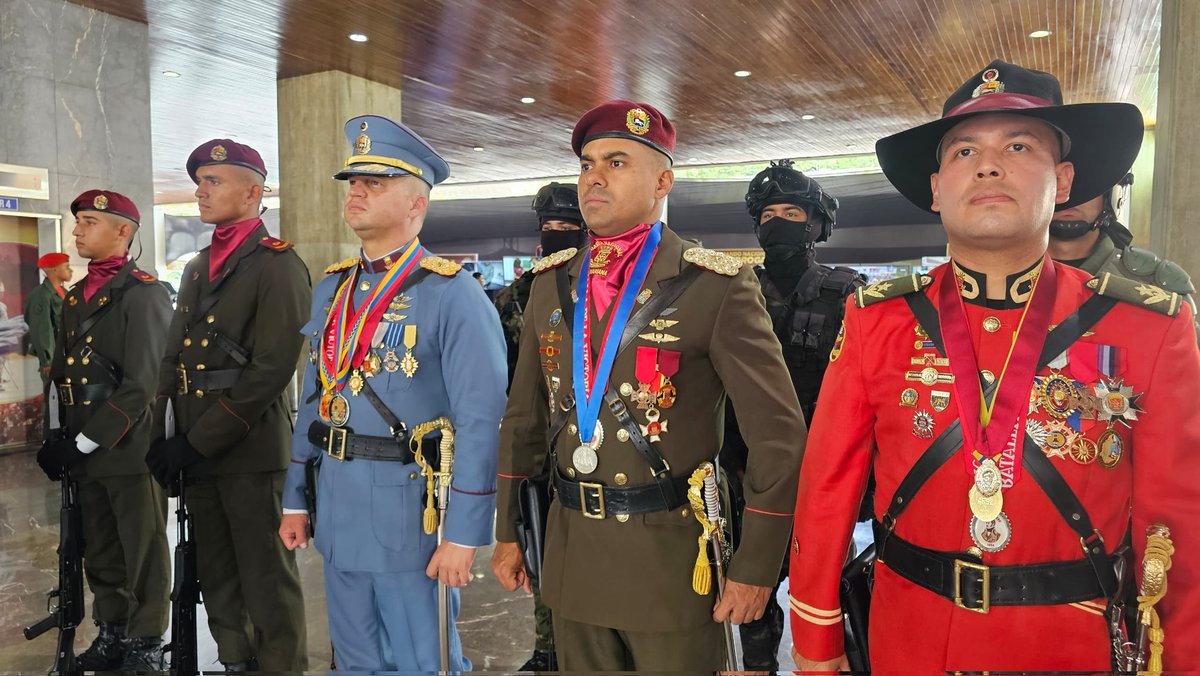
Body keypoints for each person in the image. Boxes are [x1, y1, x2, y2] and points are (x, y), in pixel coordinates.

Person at [788, 59, 1200, 672]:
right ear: (935, 188)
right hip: (909, 640)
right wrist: (816, 642)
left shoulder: (1149, 327)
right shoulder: (877, 319)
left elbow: (1179, 523)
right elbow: (827, 489)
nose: (987, 164)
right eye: (962, 152)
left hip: (1072, 645)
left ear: (1062, 181)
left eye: (1018, 144)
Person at [491, 100, 808, 671]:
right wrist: (508, 527)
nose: (594, 177)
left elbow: (778, 436)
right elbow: (523, 419)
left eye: (616, 162)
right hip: (573, 556)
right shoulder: (550, 284)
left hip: (670, 560)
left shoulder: (713, 284)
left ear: (663, 180)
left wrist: (756, 567)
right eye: (588, 164)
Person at [276, 115, 507, 672]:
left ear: (415, 205)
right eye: (354, 182)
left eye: (375, 183)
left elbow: (481, 420)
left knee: (422, 659)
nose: (356, 191)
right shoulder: (333, 287)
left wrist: (465, 533)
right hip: (338, 501)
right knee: (354, 660)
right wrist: (295, 493)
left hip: (410, 511)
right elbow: (316, 396)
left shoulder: (452, 294)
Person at [145, 139, 310, 672]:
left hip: (250, 448)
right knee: (215, 575)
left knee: (265, 578)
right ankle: (236, 662)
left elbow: (270, 370)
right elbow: (172, 358)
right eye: (200, 181)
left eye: (214, 181)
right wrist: (163, 439)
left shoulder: (277, 265)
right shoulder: (197, 266)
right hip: (196, 449)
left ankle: (281, 667)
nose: (200, 190)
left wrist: (196, 441)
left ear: (253, 191)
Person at [719, 160, 864, 670]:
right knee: (750, 604)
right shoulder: (732, 290)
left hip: (826, 477)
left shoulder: (850, 293)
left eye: (792, 211)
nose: (777, 222)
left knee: (828, 599)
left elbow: (863, 395)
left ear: (816, 223)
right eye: (768, 214)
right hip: (749, 475)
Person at [35, 190, 171, 670]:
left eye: (89, 221)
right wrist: (53, 436)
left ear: (123, 231)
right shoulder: (74, 296)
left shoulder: (145, 293)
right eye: (78, 222)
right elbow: (60, 372)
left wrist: (83, 442)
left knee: (142, 547)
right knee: (99, 548)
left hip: (126, 444)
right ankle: (112, 631)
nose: (77, 231)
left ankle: (146, 641)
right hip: (81, 441)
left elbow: (143, 384)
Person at [491, 181, 587, 671]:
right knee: (538, 544)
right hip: (535, 443)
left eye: (568, 228)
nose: (556, 237)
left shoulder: (599, 291)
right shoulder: (518, 295)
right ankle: (547, 648)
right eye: (548, 228)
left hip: (587, 441)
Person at [1048, 174, 1197, 337]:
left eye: (1086, 183)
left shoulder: (1158, 288)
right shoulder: (1015, 272)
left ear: (1110, 195)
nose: (1071, 194)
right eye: (1055, 180)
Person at [25, 252, 72, 382]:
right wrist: (48, 360)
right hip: (54, 358)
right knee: (53, 396)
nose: (70, 270)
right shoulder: (41, 295)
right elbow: (42, 329)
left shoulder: (65, 293)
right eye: (66, 267)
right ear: (55, 269)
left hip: (67, 354)